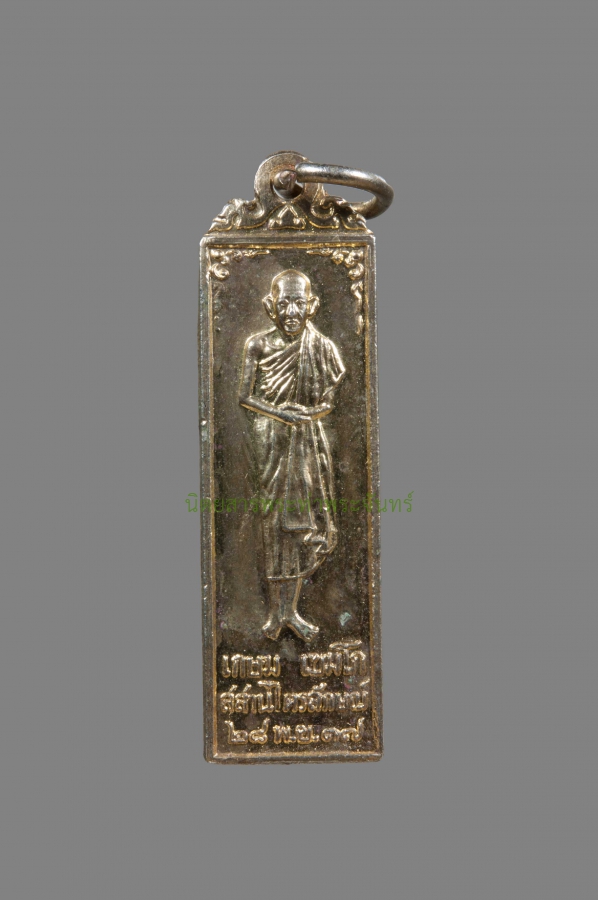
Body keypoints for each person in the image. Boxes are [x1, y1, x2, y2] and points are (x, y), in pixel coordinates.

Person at [239, 269, 346, 642]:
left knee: (302, 529)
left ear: (311, 305)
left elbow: (328, 403)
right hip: (270, 442)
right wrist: (280, 414)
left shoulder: (322, 348)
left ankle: (292, 612)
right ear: (270, 306)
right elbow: (244, 396)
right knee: (275, 526)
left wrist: (306, 415)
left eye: (298, 303)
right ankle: (276, 614)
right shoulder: (257, 345)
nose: (291, 312)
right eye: (283, 303)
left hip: (306, 441)